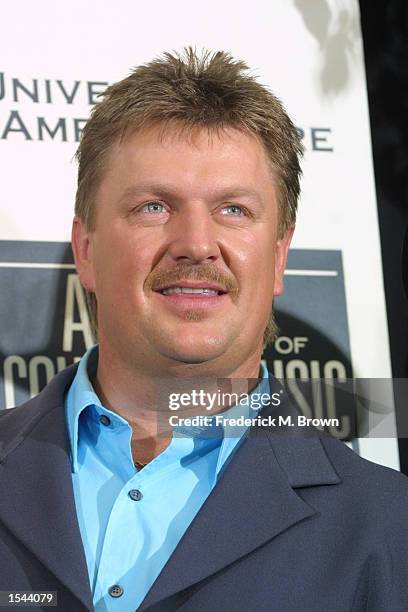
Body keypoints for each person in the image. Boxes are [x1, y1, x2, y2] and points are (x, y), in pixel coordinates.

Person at [1, 47, 408, 612]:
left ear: (280, 256)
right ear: (86, 250)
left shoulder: (391, 531)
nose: (195, 243)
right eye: (152, 206)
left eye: (233, 210)